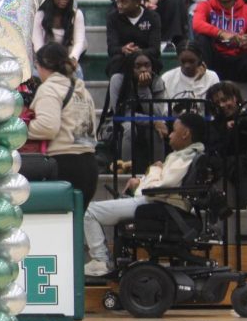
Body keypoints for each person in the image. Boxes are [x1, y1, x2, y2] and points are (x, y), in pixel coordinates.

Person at [82, 111, 206, 276]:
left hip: (156, 205)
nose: (169, 135)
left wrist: (154, 171)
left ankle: (101, 260)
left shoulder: (185, 157)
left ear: (186, 134)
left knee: (89, 212)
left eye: (174, 131)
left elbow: (159, 187)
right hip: (155, 202)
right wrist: (143, 180)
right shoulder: (184, 155)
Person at [27, 42, 99, 206]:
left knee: (62, 225)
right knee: (76, 225)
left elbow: (47, 127)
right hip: (90, 164)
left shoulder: (50, 89)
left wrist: (20, 130)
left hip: (65, 165)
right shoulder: (82, 90)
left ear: (43, 64)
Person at [105, 0, 161, 110]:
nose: (119, 5)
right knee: (116, 61)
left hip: (146, 61)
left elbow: (155, 49)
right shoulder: (113, 17)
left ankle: (152, 106)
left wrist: (138, 53)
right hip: (123, 62)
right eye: (118, 1)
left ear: (137, 1)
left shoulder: (152, 17)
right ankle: (118, 107)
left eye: (124, 2)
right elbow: (112, 49)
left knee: (147, 62)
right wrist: (123, 49)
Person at [33, 0, 86, 65]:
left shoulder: (76, 14)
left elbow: (79, 42)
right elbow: (38, 45)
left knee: (77, 72)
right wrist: (47, 62)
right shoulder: (39, 15)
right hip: (44, 60)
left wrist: (72, 59)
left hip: (67, 59)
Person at [161, 41, 219, 113]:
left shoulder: (212, 76)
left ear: (199, 58)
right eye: (183, 61)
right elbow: (164, 110)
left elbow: (213, 108)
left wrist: (197, 81)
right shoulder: (167, 78)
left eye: (191, 61)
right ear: (178, 58)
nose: (187, 66)